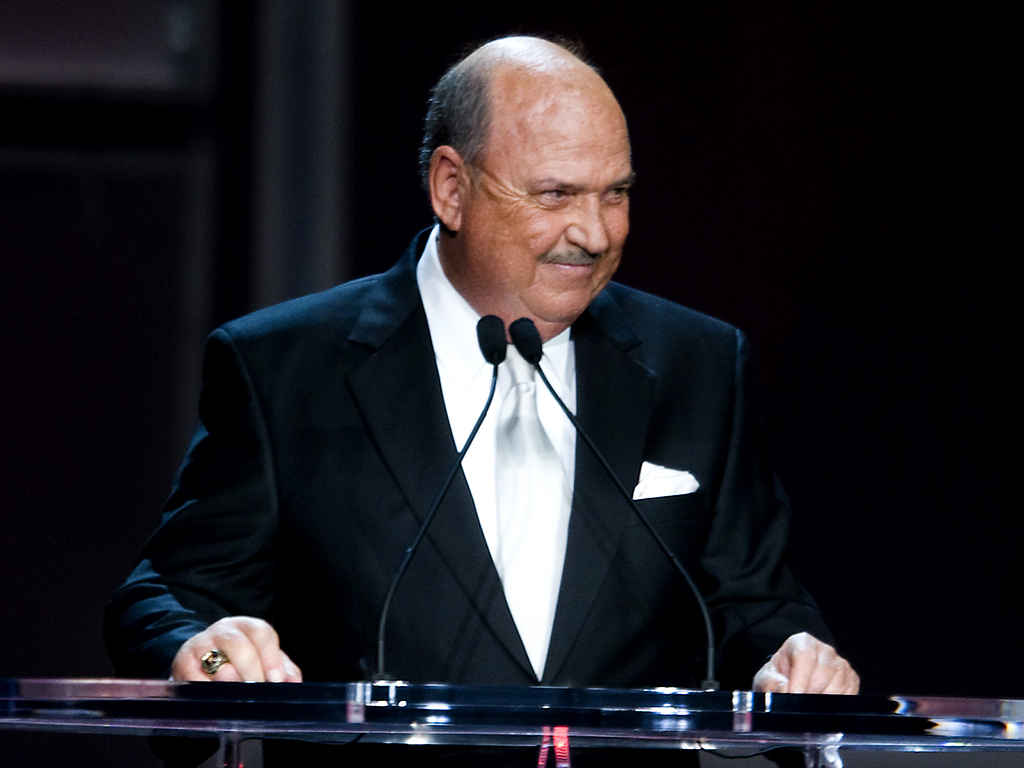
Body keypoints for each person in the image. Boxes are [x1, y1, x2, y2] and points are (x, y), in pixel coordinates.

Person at [106, 34, 857, 763]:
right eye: (556, 194)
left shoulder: (698, 363)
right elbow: (169, 596)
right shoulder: (284, 369)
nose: (594, 234)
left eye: (616, 194)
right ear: (452, 188)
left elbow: (756, 604)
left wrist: (794, 662)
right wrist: (201, 652)